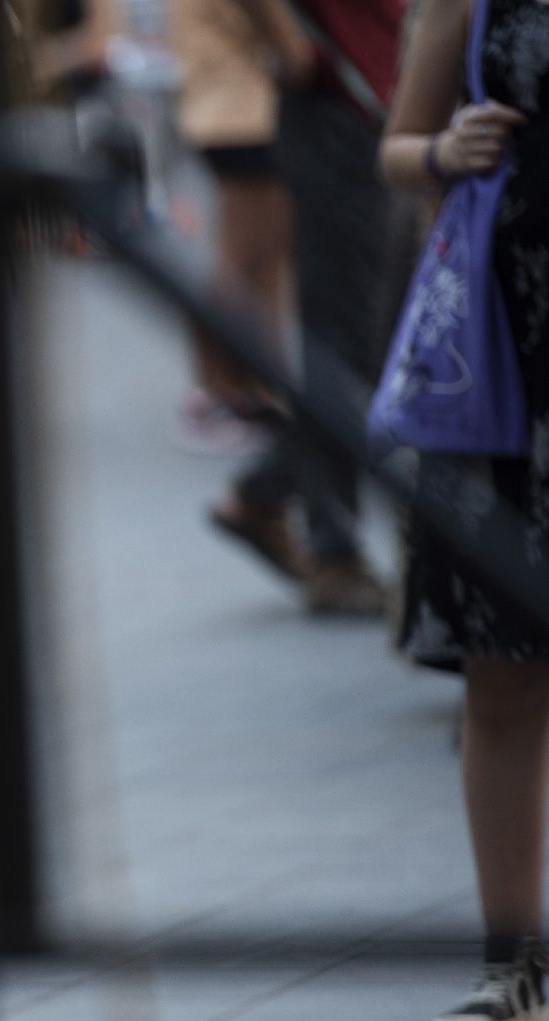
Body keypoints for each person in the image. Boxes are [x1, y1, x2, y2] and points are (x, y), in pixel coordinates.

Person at [380, 0, 547, 1021]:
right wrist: (442, 147)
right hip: (505, 364)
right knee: (502, 665)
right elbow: (396, 147)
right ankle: (511, 965)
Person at [211, 0, 401, 615]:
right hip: (344, 105)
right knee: (352, 342)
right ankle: (332, 551)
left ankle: (270, 491)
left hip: (383, 101)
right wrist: (290, 46)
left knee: (389, 342)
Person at [168, 0, 289, 457]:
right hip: (244, 109)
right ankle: (219, 390)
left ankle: (257, 388)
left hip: (221, 104)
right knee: (242, 261)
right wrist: (295, 55)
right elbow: (270, 27)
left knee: (258, 261)